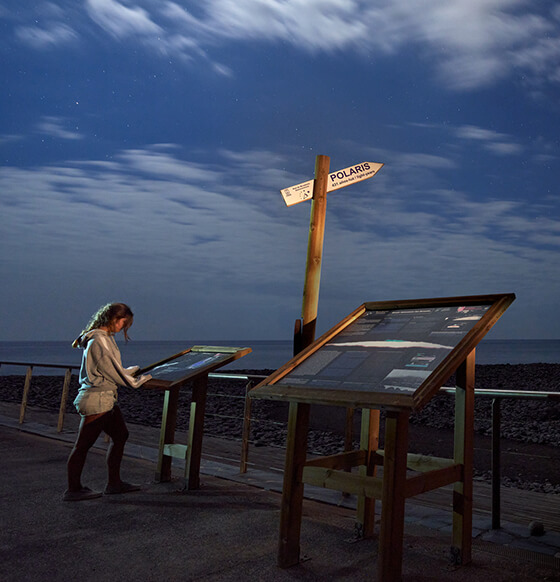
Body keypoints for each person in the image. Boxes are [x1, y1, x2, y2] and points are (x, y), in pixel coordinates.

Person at [64, 302, 152, 501]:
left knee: (121, 435)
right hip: (97, 399)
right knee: (82, 446)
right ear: (114, 319)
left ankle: (114, 483)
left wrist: (131, 371)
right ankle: (73, 490)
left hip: (105, 398)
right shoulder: (100, 341)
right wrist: (139, 380)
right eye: (123, 322)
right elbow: (112, 371)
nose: (123, 327)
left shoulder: (100, 338)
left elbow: (110, 369)